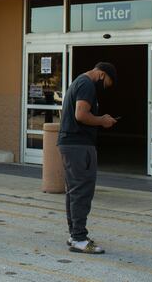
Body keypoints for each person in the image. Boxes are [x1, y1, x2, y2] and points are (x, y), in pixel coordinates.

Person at [58, 62, 117, 254]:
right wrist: (103, 120)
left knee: (74, 191)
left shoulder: (79, 82)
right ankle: (79, 239)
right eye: (107, 83)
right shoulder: (87, 85)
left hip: (72, 144)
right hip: (78, 145)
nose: (106, 88)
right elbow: (81, 114)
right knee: (82, 191)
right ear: (101, 75)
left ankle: (75, 234)